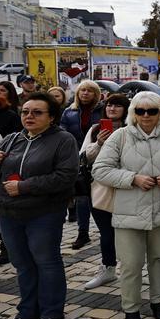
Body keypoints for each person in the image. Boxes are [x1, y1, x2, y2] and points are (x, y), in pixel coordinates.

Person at [92, 92, 160, 319]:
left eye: (152, 111)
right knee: (130, 264)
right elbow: (100, 169)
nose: (146, 115)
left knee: (159, 259)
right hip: (128, 213)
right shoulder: (120, 136)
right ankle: (131, 308)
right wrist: (132, 179)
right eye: (140, 111)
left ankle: (158, 301)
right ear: (133, 113)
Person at [0, 92, 79, 319]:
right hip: (10, 213)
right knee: (22, 264)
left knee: (46, 262)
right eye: (25, 111)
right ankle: (27, 310)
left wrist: (24, 187)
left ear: (51, 117)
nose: (29, 116)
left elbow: (66, 176)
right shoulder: (10, 139)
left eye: (37, 112)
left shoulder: (63, 140)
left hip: (44, 213)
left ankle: (51, 312)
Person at [79, 94, 130, 290]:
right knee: (106, 231)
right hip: (100, 187)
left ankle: (130, 269)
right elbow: (83, 158)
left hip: (126, 186)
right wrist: (99, 143)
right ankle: (108, 269)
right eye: (109, 105)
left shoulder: (131, 129)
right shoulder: (95, 130)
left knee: (127, 232)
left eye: (118, 105)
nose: (112, 108)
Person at [61, 80, 104, 250]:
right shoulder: (69, 112)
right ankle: (83, 232)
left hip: (99, 157)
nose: (85, 93)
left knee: (99, 196)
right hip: (77, 158)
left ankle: (105, 229)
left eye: (89, 91)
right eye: (82, 90)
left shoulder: (103, 110)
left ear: (96, 94)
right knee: (81, 198)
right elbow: (63, 133)